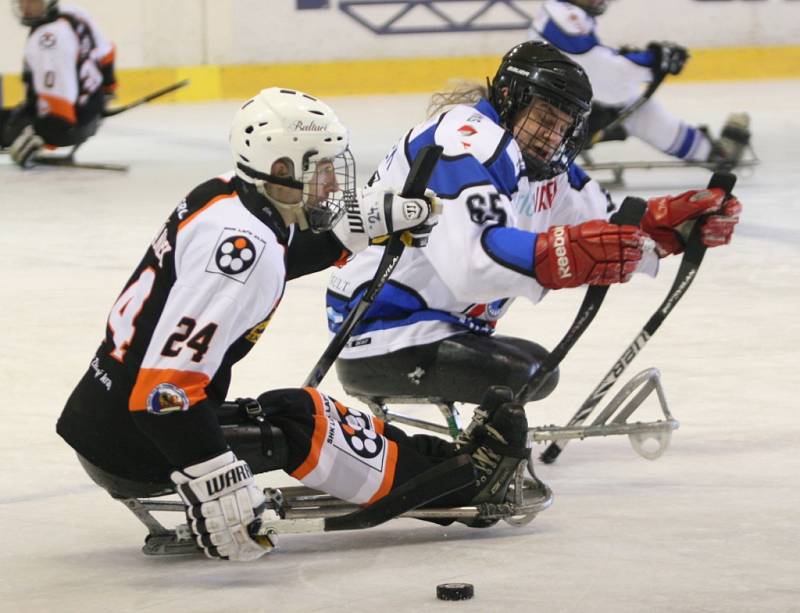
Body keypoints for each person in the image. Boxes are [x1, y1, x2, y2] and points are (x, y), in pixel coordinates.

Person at [57, 87, 533, 562]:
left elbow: (278, 255)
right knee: (305, 430)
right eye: (320, 167)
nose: (330, 182)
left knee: (295, 410)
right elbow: (164, 393)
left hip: (111, 418)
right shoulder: (243, 245)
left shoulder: (229, 194)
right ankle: (459, 484)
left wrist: (364, 225)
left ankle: (446, 462)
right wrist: (216, 483)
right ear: (281, 169)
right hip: (136, 442)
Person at [325, 41, 742, 407]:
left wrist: (669, 229)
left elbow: (606, 227)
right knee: (526, 371)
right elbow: (473, 262)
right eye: (544, 118)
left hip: (438, 323)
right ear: (510, 97)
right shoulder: (461, 141)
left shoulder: (542, 166)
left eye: (563, 127)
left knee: (532, 370)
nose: (552, 136)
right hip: (383, 327)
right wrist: (561, 253)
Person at [527, 0, 750, 168]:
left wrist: (639, 60)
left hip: (549, 108)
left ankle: (706, 151)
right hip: (545, 118)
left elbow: (590, 63)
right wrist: (653, 61)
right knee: (635, 108)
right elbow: (605, 72)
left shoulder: (559, 12)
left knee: (632, 107)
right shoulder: (565, 15)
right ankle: (711, 152)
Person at [0, 0, 117, 168]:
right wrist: (107, 91)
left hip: (67, 127)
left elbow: (59, 114)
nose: (25, 8)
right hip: (91, 114)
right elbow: (107, 53)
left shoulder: (47, 40)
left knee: (7, 125)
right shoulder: (73, 12)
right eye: (21, 2)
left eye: (32, 2)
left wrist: (38, 137)